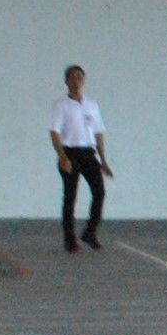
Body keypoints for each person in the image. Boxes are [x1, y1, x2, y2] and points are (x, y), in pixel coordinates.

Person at [49, 64, 112, 254]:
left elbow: (99, 132)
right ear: (67, 82)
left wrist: (103, 160)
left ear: (84, 81)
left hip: (88, 153)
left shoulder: (92, 105)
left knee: (99, 192)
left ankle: (90, 232)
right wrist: (62, 157)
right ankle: (70, 241)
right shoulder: (61, 105)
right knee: (70, 198)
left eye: (79, 78)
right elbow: (55, 132)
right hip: (70, 153)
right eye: (72, 78)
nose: (76, 81)